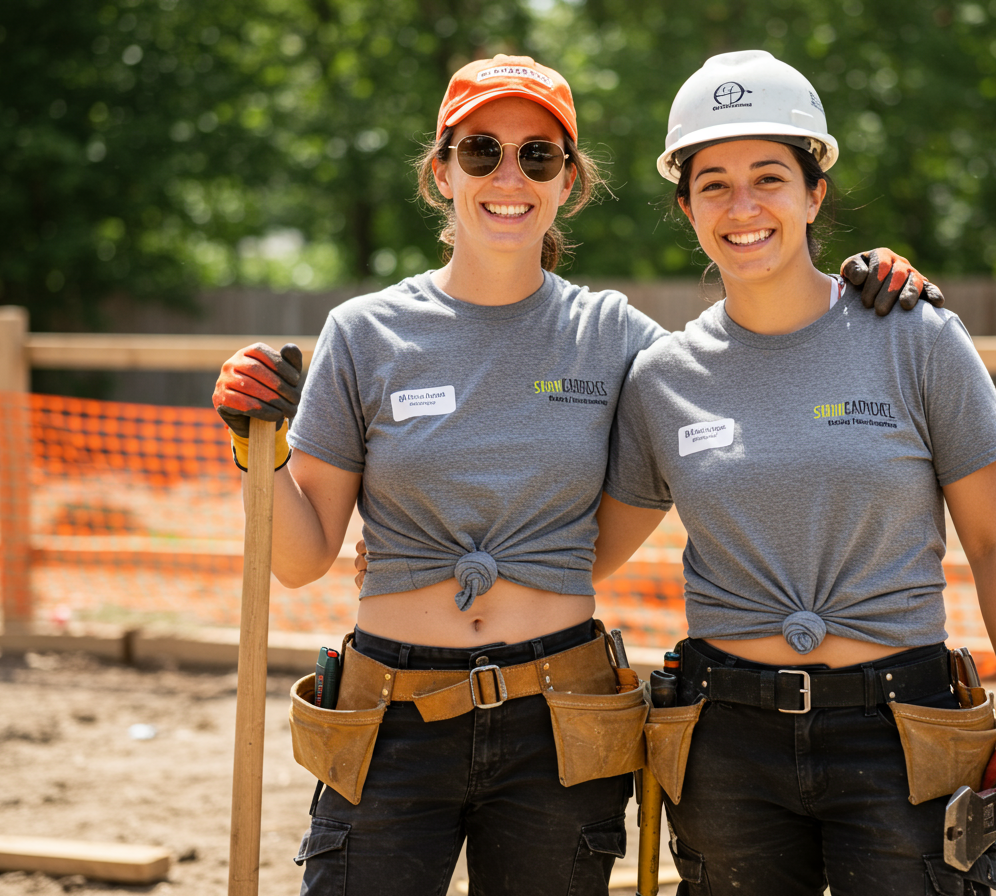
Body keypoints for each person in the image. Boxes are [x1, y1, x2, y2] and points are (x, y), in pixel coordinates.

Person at [213, 54, 940, 896]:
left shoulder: (618, 338)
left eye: (540, 156)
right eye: (481, 151)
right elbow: (300, 559)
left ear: (569, 182)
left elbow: (750, 355)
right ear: (441, 173)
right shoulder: (365, 334)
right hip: (388, 720)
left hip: (560, 724)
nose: (509, 176)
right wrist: (254, 451)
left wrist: (866, 286)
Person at [596, 51, 996, 895]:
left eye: (769, 177)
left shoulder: (917, 338)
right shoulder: (661, 378)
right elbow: (588, 551)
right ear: (686, 206)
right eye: (713, 183)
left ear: (814, 192)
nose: (742, 207)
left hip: (903, 736)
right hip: (725, 742)